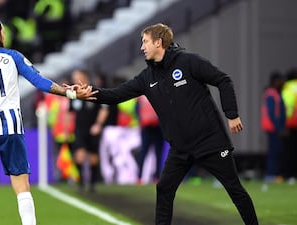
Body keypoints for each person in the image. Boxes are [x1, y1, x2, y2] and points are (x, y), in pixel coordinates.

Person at [76, 23, 259, 225]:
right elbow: (116, 95)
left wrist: (231, 114)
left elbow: (223, 80)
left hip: (210, 141)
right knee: (164, 188)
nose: (141, 47)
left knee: (234, 188)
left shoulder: (188, 62)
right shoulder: (147, 77)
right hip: (180, 148)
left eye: (145, 42)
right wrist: (89, 93)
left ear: (158, 42)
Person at [0, 16, 95, 225]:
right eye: (3, 31)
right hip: (10, 129)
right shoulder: (12, 57)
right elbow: (40, 82)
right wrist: (70, 94)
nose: (5, 35)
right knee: (21, 187)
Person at [69, 68, 109, 192]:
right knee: (79, 155)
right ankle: (81, 183)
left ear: (84, 77)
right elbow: (70, 112)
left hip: (92, 129)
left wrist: (98, 124)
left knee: (93, 156)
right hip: (79, 129)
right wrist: (67, 128)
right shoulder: (73, 93)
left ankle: (92, 184)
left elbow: (104, 109)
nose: (74, 79)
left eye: (77, 76)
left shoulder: (94, 91)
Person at [260, 71, 286, 183]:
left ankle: (273, 174)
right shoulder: (272, 94)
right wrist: (279, 128)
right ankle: (271, 174)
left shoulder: (273, 93)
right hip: (272, 128)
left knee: (276, 151)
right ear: (275, 81)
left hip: (272, 127)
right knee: (274, 152)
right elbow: (272, 113)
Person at [136, 95, 165, 185]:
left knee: (145, 152)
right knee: (156, 153)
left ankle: (140, 178)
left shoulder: (141, 95)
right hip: (155, 126)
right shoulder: (158, 92)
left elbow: (136, 110)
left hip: (149, 127)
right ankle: (155, 177)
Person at [280, 68, 297, 184]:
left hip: (291, 124)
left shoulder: (287, 88)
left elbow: (287, 107)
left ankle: (290, 175)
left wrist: (283, 123)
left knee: (289, 152)